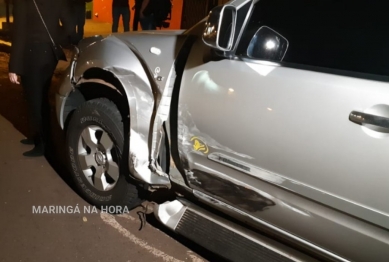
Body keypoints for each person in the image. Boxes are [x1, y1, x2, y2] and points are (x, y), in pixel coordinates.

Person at [8, 0, 74, 157]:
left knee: (34, 99)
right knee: (42, 96)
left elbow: (19, 33)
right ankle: (37, 136)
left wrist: (14, 67)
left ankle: (42, 143)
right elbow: (70, 26)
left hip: (32, 55)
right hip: (49, 55)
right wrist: (55, 39)